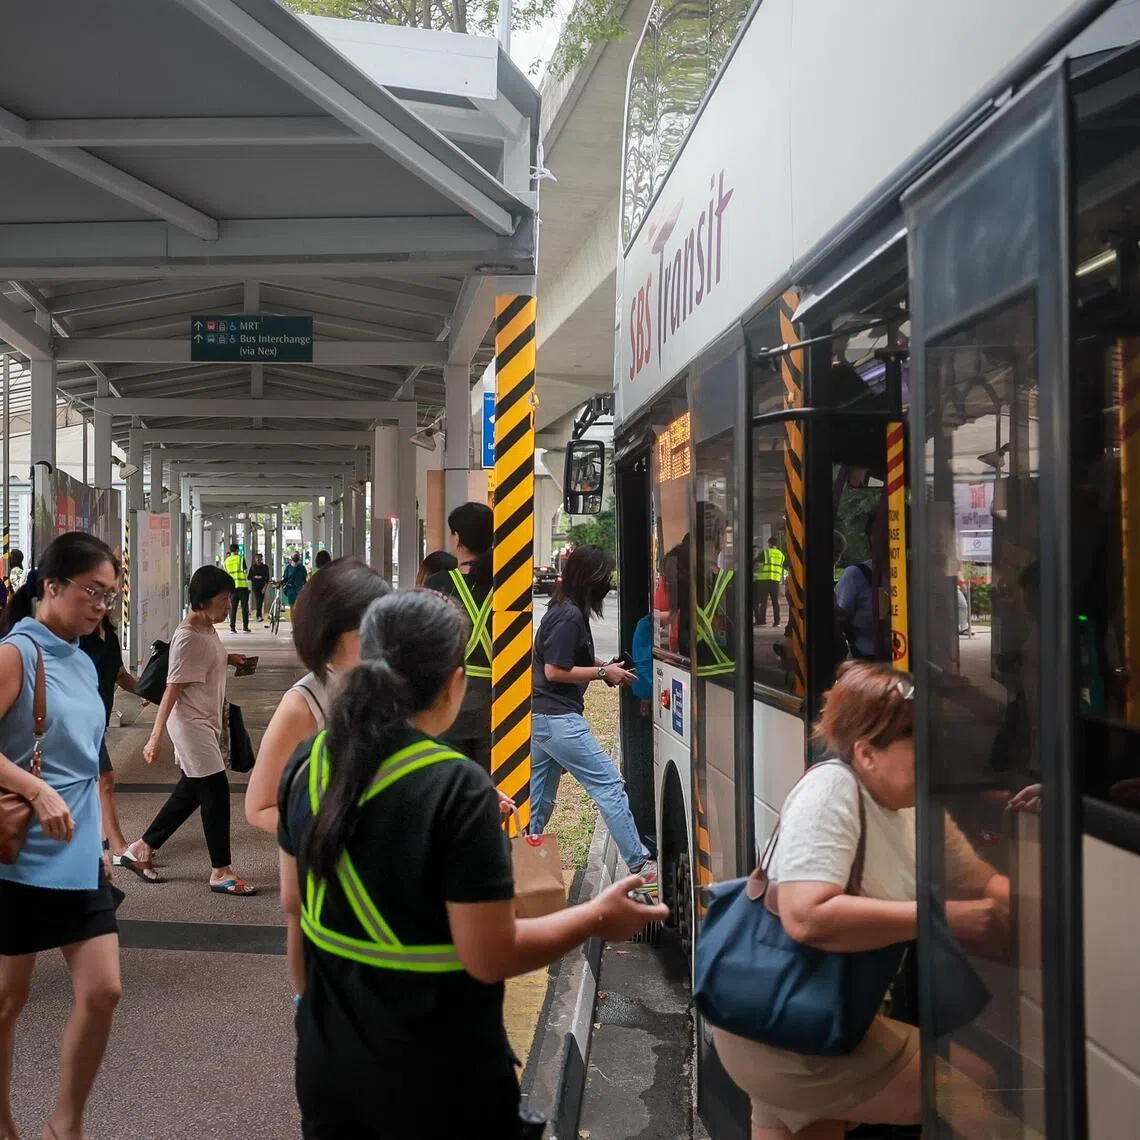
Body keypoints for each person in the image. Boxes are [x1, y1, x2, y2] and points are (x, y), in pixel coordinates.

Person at [276, 589, 668, 1139]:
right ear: (454, 682)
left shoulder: (309, 762)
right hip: (440, 1081)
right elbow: (491, 956)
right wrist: (597, 917)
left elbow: (295, 910)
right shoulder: (456, 788)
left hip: (329, 1069)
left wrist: (314, 1015)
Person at [711, 661, 1010, 1140]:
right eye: (919, 748)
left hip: (807, 1013)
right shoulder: (831, 792)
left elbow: (982, 880)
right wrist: (940, 917)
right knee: (972, 1087)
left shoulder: (914, 810)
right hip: (789, 1030)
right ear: (867, 753)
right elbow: (805, 915)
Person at [0, 533, 123, 1140]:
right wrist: (36, 789)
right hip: (19, 852)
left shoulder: (83, 656)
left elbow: (84, 758)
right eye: (91, 591)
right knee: (7, 1000)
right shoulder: (16, 654)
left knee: (103, 990)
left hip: (77, 850)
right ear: (51, 587)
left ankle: (64, 1125)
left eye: (109, 595)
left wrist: (100, 841)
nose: (101, 605)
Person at [528, 545, 658, 896]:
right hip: (558, 719)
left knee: (538, 802)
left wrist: (606, 666)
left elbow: (569, 659)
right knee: (609, 785)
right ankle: (640, 866)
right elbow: (555, 670)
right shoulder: (569, 616)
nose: (609, 582)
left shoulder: (564, 610)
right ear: (591, 579)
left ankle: (520, 868)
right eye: (605, 576)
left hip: (543, 718)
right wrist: (603, 673)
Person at [120, 567, 255, 895]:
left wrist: (229, 659)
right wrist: (155, 737)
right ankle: (220, 871)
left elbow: (204, 659)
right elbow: (172, 689)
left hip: (206, 720)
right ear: (204, 599)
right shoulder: (188, 636)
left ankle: (141, 848)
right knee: (215, 791)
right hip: (190, 725)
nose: (229, 605)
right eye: (224, 599)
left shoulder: (206, 627)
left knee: (191, 791)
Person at [246, 557, 392, 836]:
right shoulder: (303, 704)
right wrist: (341, 834)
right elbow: (259, 807)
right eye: (367, 632)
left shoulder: (389, 684)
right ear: (328, 634)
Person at [424, 503, 494, 774]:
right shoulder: (503, 584)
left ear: (457, 538)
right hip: (497, 705)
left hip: (450, 703)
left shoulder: (438, 584)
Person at [79, 614, 138, 860]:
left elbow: (120, 675)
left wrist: (150, 692)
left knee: (92, 782)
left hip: (98, 719)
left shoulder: (110, 637)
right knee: (105, 778)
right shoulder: (75, 636)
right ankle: (118, 847)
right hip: (79, 719)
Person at [754, 537, 786, 626]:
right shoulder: (781, 555)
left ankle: (762, 620)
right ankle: (777, 622)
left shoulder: (766, 552)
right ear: (777, 544)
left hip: (764, 580)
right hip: (775, 580)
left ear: (769, 544)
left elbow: (756, 561)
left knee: (763, 601)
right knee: (775, 602)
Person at [224, 543, 251, 634]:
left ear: (230, 550)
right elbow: (245, 571)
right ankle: (245, 627)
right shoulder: (240, 558)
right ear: (237, 550)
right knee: (244, 608)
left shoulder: (226, 561)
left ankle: (232, 627)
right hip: (242, 586)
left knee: (233, 608)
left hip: (232, 588)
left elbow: (226, 575)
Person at [283, 552, 307, 616]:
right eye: (294, 556)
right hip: (291, 590)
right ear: (292, 558)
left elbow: (304, 579)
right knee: (292, 607)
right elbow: (285, 579)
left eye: (297, 556)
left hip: (300, 590)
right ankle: (293, 620)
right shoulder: (288, 568)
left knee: (299, 607)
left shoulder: (302, 568)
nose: (296, 557)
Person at [248, 553, 271, 623]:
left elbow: (267, 578)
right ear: (255, 559)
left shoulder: (265, 567)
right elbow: (249, 577)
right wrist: (255, 577)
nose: (258, 559)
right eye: (256, 558)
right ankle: (258, 616)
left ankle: (259, 615)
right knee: (259, 600)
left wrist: (265, 587)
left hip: (262, 586)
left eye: (259, 558)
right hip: (255, 586)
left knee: (260, 601)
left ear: (261, 559)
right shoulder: (253, 567)